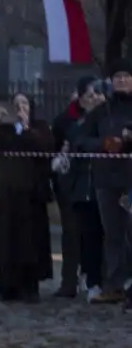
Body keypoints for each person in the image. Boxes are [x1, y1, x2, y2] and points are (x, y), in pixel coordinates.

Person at [0, 93, 52, 301]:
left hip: (30, 197)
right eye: (16, 105)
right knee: (4, 242)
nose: (20, 108)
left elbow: (44, 147)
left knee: (29, 243)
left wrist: (25, 128)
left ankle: (29, 286)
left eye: (24, 104)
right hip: (4, 196)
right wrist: (8, 125)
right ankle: (6, 285)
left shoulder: (40, 127)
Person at [56, 76, 108, 298]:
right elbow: (74, 144)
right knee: (85, 236)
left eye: (98, 94)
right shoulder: (74, 123)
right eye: (89, 95)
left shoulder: (111, 118)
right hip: (81, 187)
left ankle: (111, 281)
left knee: (112, 236)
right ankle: (88, 279)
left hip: (109, 184)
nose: (94, 98)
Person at [87, 67, 132, 306]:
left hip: (131, 178)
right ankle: (115, 285)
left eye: (126, 76)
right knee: (113, 235)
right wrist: (104, 144)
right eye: (118, 77)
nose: (122, 81)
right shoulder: (101, 111)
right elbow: (81, 138)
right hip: (106, 180)